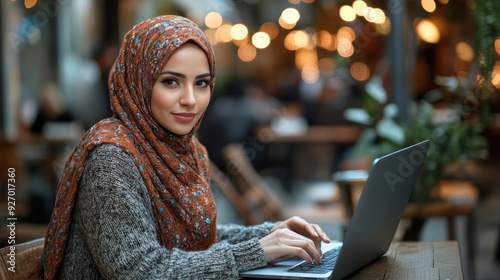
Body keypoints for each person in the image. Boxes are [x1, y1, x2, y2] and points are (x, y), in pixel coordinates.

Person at [40, 15, 330, 279]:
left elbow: (199, 238)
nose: (191, 99)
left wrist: (273, 234)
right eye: (171, 82)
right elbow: (142, 272)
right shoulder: (112, 158)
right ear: (139, 83)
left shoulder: (187, 150)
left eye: (201, 83)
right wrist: (256, 251)